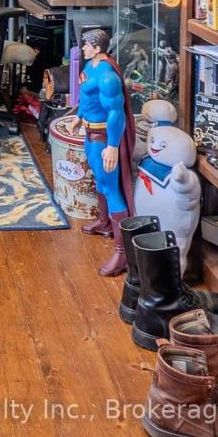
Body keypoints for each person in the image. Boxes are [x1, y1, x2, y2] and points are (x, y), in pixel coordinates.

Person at [77, 27, 134, 275]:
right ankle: (104, 222)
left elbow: (115, 113)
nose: (83, 48)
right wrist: (79, 116)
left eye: (86, 45)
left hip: (103, 138)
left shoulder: (108, 77)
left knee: (111, 188)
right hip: (89, 132)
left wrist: (112, 146)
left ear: (97, 48)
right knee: (99, 179)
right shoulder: (90, 67)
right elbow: (85, 97)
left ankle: (122, 253)